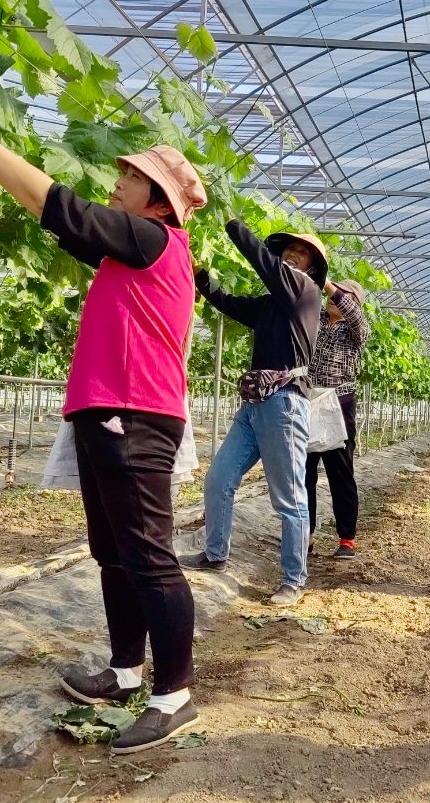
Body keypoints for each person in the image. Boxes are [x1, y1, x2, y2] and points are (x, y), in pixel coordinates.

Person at [0, 85, 208, 753]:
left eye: (130, 179)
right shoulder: (127, 250)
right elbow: (43, 214)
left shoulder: (153, 239)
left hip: (134, 416)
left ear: (160, 201)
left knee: (150, 559)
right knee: (115, 553)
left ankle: (175, 695)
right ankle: (126, 671)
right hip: (110, 414)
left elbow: (56, 202)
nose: (117, 184)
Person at [179, 226, 325, 608]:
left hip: (285, 405)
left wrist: (231, 224)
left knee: (289, 498)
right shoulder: (271, 304)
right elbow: (228, 303)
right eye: (288, 250)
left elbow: (265, 263)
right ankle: (215, 554)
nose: (292, 255)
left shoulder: (305, 292)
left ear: (313, 267)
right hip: (256, 404)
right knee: (219, 479)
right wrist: (201, 278)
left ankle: (294, 580)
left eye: (301, 253)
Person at [306, 278, 371, 560]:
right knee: (303, 472)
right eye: (334, 295)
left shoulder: (356, 330)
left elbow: (356, 316)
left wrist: (331, 286)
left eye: (345, 296)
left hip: (338, 403)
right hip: (307, 401)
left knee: (340, 473)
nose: (335, 299)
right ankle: (303, 535)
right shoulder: (314, 319)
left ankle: (347, 538)